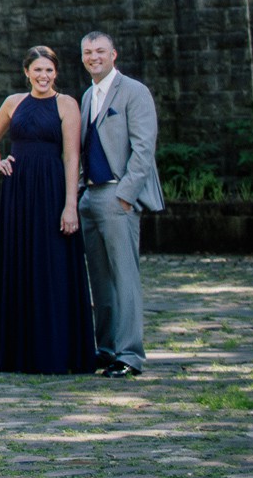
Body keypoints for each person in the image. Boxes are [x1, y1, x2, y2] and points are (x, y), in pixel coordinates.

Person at [0, 46, 96, 374]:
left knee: (53, 265)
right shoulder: (13, 103)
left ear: (56, 73)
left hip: (51, 192)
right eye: (37, 70)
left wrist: (70, 205)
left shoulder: (66, 104)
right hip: (17, 194)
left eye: (49, 70)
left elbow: (72, 156)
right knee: (21, 263)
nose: (43, 76)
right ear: (26, 72)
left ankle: (56, 350)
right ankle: (20, 353)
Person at [78, 31, 163, 378]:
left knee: (124, 277)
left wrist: (126, 195)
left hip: (118, 196)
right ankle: (107, 347)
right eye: (87, 52)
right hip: (90, 197)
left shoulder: (134, 91)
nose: (93, 56)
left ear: (114, 54)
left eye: (100, 50)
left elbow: (144, 149)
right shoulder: (86, 96)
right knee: (99, 279)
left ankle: (130, 354)